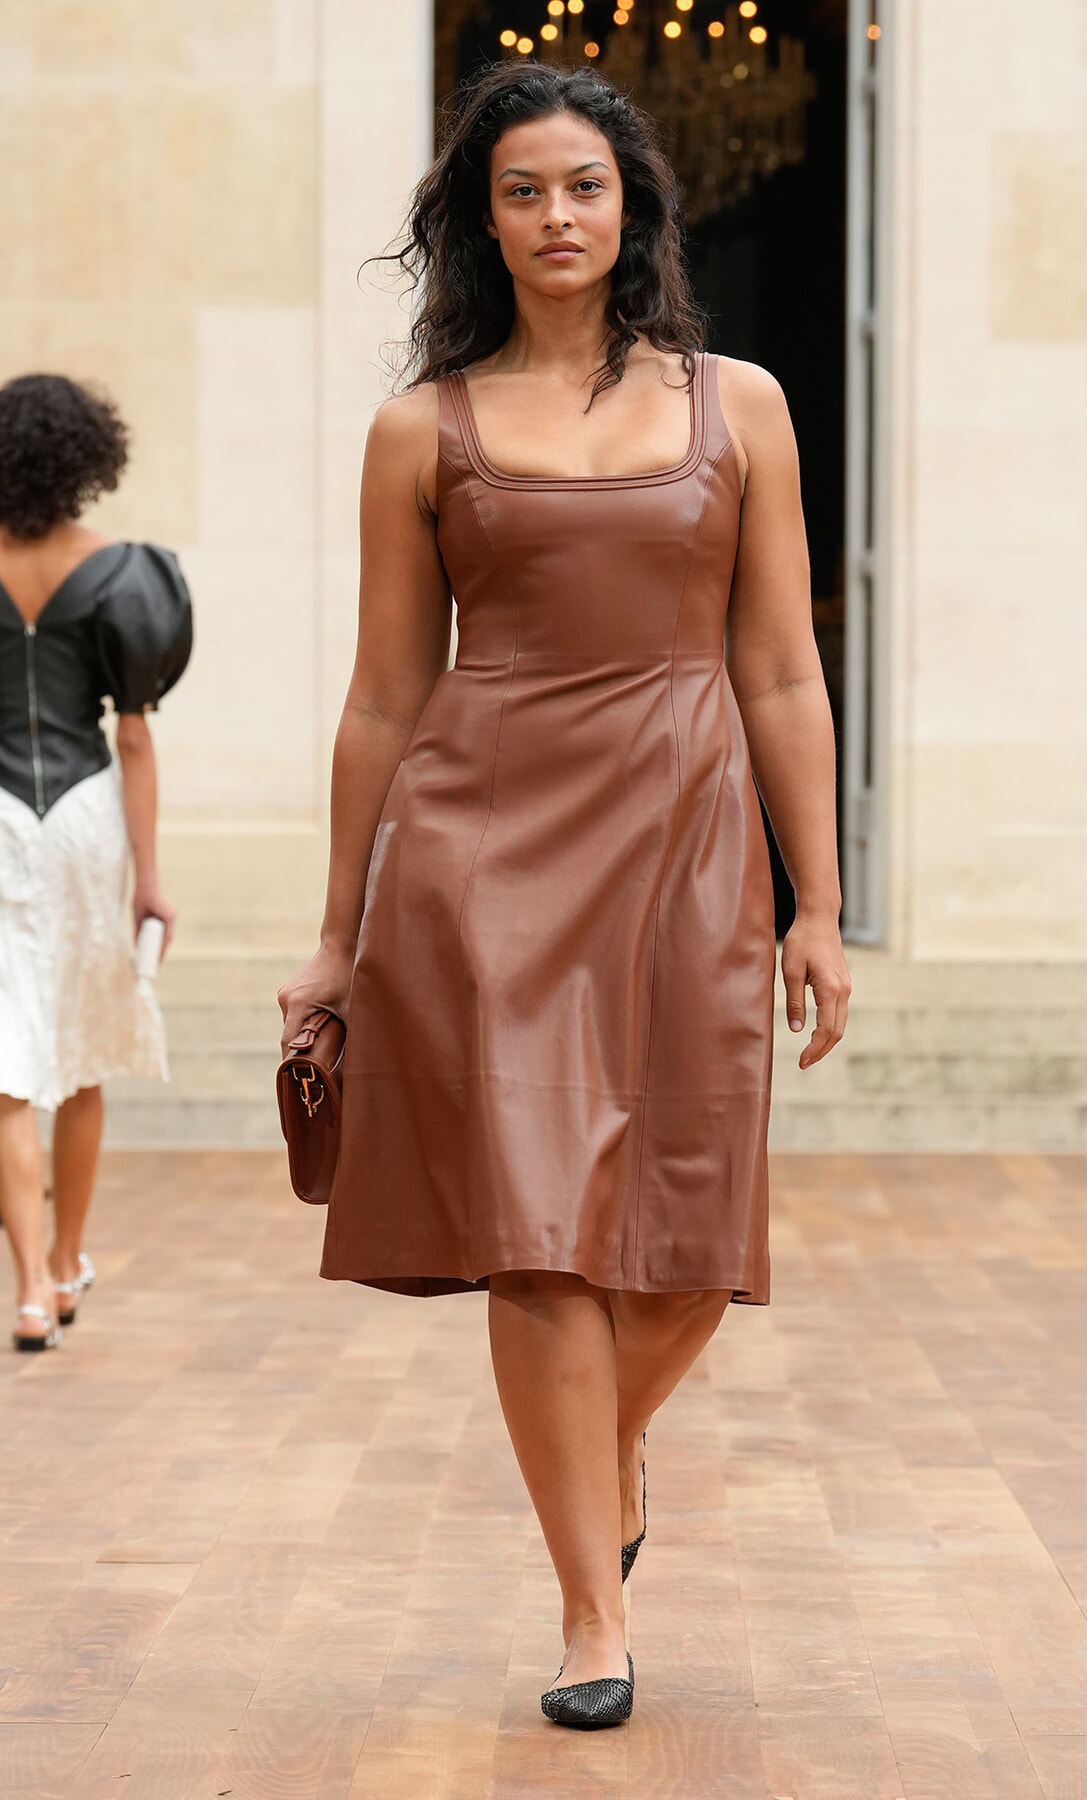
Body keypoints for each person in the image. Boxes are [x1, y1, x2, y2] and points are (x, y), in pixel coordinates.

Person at [278, 61, 849, 1728]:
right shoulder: (418, 430)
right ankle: (592, 1612)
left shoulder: (738, 405)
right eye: (521, 189)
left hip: (685, 841)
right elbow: (386, 695)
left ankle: (602, 1446)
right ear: (482, 217)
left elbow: (783, 670)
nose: (555, 216)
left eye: (583, 186)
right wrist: (335, 933)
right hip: (480, 851)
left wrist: (818, 902)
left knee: (684, 1242)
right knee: (536, 1235)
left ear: (632, 206)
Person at [0, 373, 192, 1351]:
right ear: (87, 457)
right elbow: (135, 740)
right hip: (81, 817)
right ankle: (68, 1262)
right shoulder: (120, 571)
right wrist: (149, 879)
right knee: (77, 1057)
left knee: (3, 1070)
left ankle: (28, 1285)